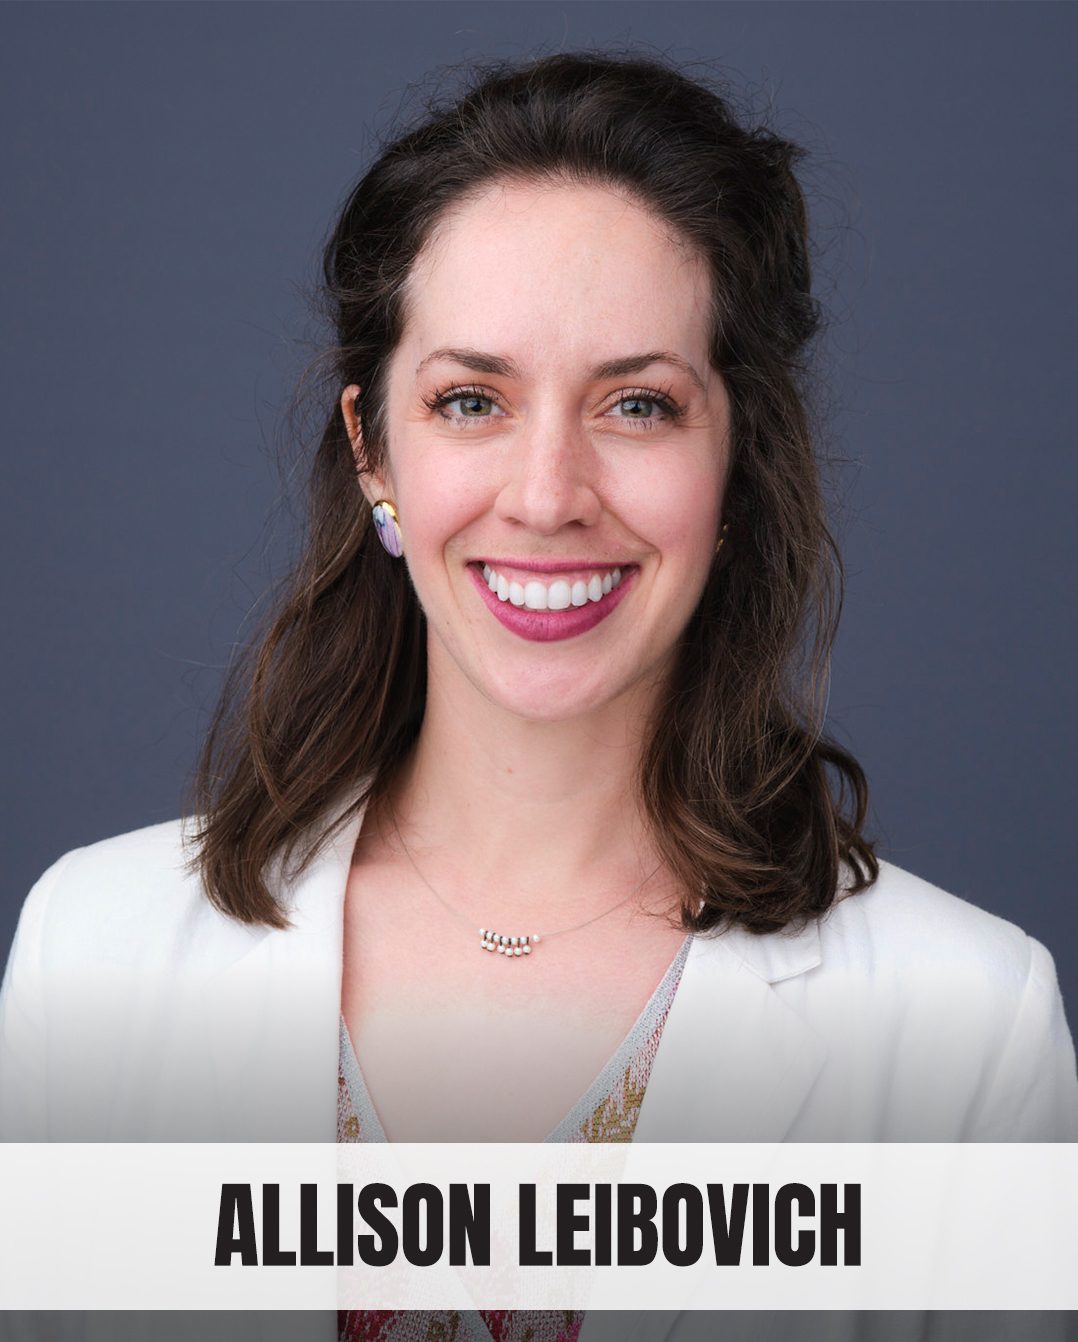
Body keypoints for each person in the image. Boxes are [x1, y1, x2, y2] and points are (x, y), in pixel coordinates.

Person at [1, 48, 1075, 1342]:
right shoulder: (89, 958)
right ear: (372, 450)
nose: (548, 494)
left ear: (737, 462)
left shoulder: (970, 1037)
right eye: (471, 400)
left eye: (638, 404)